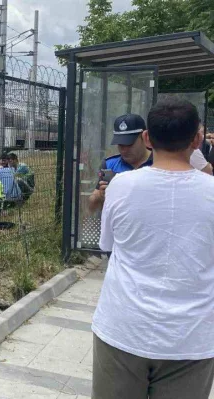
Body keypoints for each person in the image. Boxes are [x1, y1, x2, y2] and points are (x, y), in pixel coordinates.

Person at [93, 98, 214, 399]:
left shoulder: (121, 186)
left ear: (147, 138)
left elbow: (107, 244)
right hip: (192, 338)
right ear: (197, 139)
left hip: (123, 328)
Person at [87, 114, 153, 213]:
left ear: (144, 137)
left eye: (129, 144)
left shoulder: (159, 163)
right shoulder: (109, 165)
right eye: (120, 145)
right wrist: (100, 196)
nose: (124, 150)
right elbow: (90, 209)